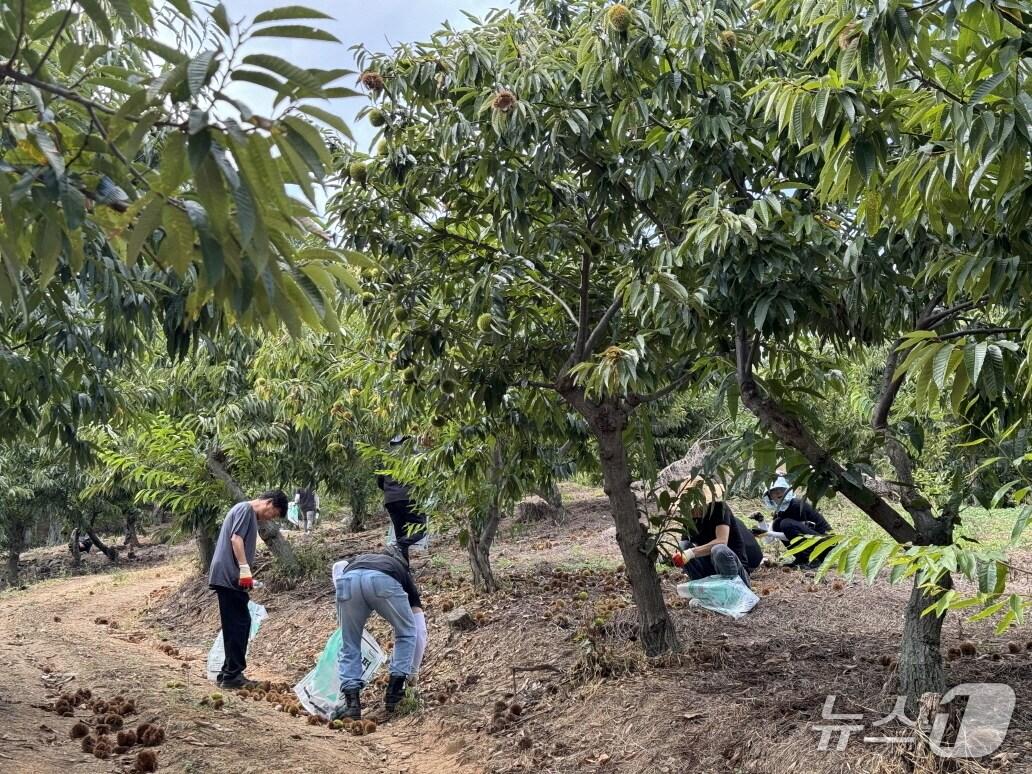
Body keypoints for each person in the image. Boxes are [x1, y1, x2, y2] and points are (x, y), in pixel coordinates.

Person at [333, 546, 427, 721]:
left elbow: (337, 567)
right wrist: (412, 673)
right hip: (383, 581)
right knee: (406, 632)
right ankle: (394, 694)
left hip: (348, 580)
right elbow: (418, 631)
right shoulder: (400, 570)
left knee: (350, 642)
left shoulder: (360, 558)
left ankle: (352, 705)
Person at [207, 490, 288, 689]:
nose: (271, 518)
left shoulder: (247, 513)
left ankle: (227, 672)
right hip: (229, 574)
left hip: (229, 575)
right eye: (274, 513)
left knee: (235, 622)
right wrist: (244, 568)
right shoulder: (245, 509)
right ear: (268, 503)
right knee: (241, 623)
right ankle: (233, 675)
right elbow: (236, 539)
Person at [672, 500, 763, 588]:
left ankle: (735, 592)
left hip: (732, 568)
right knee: (683, 546)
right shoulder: (690, 518)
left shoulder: (719, 508)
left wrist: (691, 553)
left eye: (695, 507)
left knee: (719, 550)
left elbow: (722, 541)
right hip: (712, 568)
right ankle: (704, 591)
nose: (692, 512)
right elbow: (684, 545)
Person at [760, 476, 833, 568]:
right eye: (773, 491)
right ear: (770, 497)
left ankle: (812, 560)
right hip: (816, 541)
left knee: (785, 524)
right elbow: (769, 539)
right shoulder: (780, 511)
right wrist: (761, 522)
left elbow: (795, 534)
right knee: (778, 523)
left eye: (781, 489)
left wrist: (768, 533)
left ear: (787, 490)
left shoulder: (796, 505)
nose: (778, 492)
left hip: (826, 545)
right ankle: (802, 559)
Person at [377, 435, 428, 561]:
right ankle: (399, 545)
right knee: (422, 529)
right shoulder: (414, 455)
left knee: (401, 535)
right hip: (408, 497)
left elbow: (380, 481)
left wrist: (391, 491)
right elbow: (423, 477)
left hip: (390, 500)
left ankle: (404, 570)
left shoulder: (386, 457)